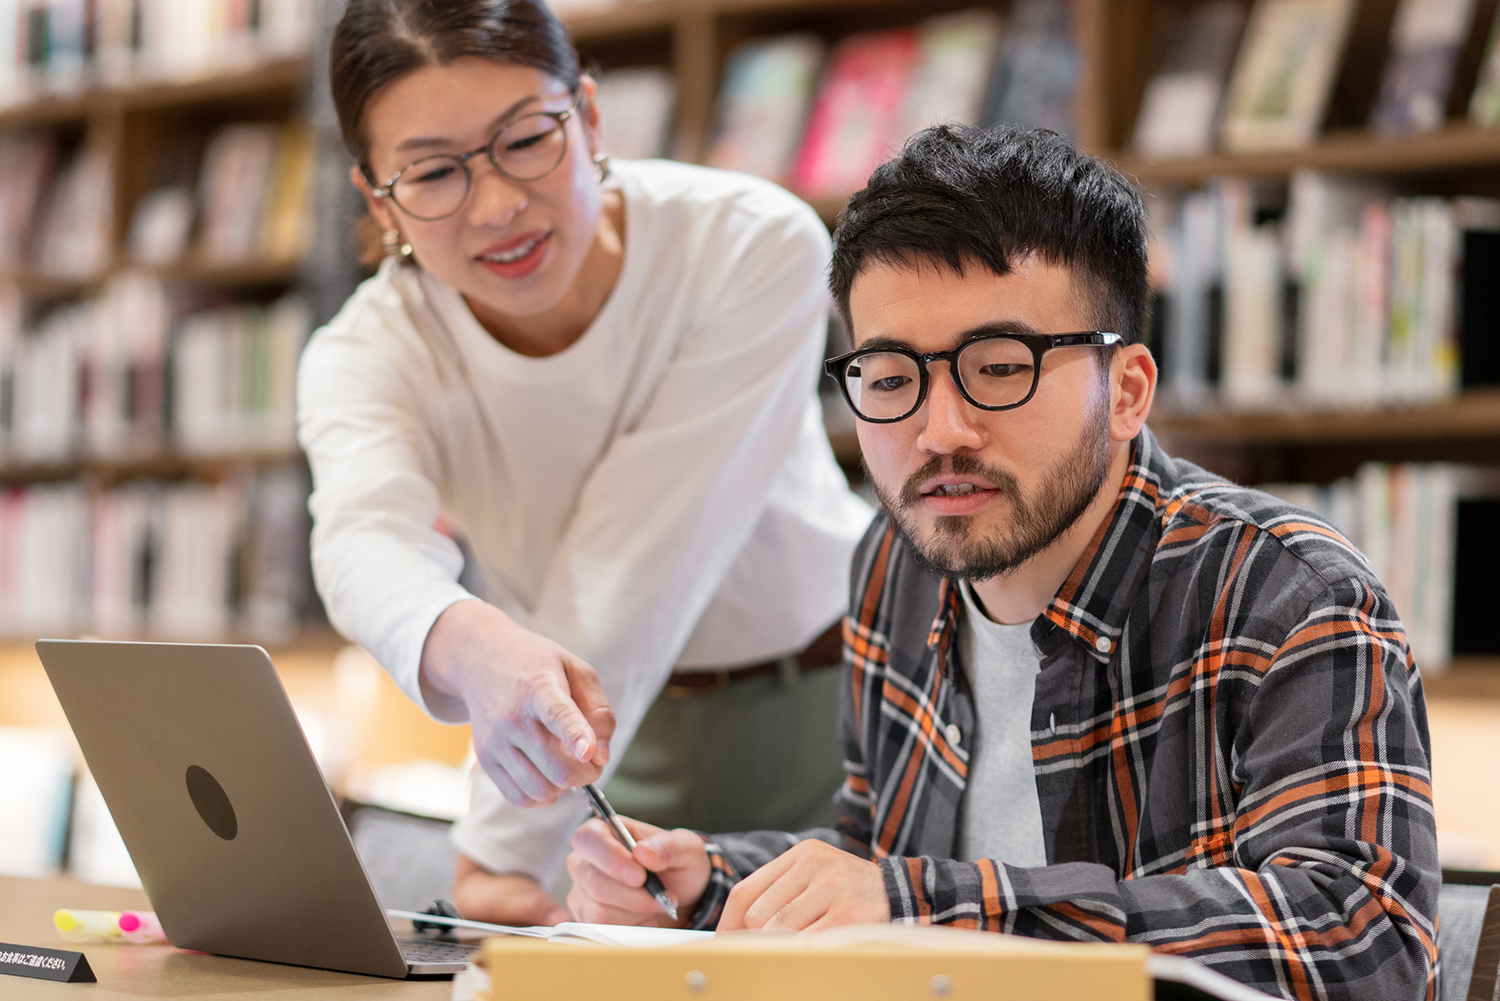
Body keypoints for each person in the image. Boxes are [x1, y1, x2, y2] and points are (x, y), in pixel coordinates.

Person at [564, 125, 1440, 1001]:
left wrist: (922, 909)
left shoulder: (1291, 594)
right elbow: (882, 859)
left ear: (1127, 389)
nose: (940, 432)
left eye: (999, 366)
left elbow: (1360, 940)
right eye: (892, 376)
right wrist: (709, 883)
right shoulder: (893, 564)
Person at [298, 0, 871, 925]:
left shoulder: (750, 244)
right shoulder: (368, 351)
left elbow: (642, 554)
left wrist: (494, 844)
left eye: (526, 140)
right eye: (433, 172)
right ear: (377, 198)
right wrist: (470, 638)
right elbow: (362, 539)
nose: (497, 206)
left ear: (591, 117)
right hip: (597, 743)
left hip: (828, 713)